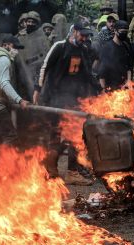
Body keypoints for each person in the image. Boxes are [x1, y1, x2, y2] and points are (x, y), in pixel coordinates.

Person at [33, 23, 94, 185]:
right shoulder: (59, 47)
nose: (85, 38)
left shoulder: (83, 49)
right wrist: (37, 89)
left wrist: (96, 93)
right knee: (56, 133)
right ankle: (50, 170)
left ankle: (71, 171)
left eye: (87, 36)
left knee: (74, 134)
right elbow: (44, 67)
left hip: (73, 99)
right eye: (83, 35)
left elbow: (87, 75)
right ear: (74, 32)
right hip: (54, 97)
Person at [98, 20, 133, 91]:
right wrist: (103, 89)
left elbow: (129, 67)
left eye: (126, 32)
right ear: (115, 31)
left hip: (123, 88)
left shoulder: (126, 46)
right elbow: (102, 72)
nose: (124, 34)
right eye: (122, 32)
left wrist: (129, 81)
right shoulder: (107, 47)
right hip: (110, 87)